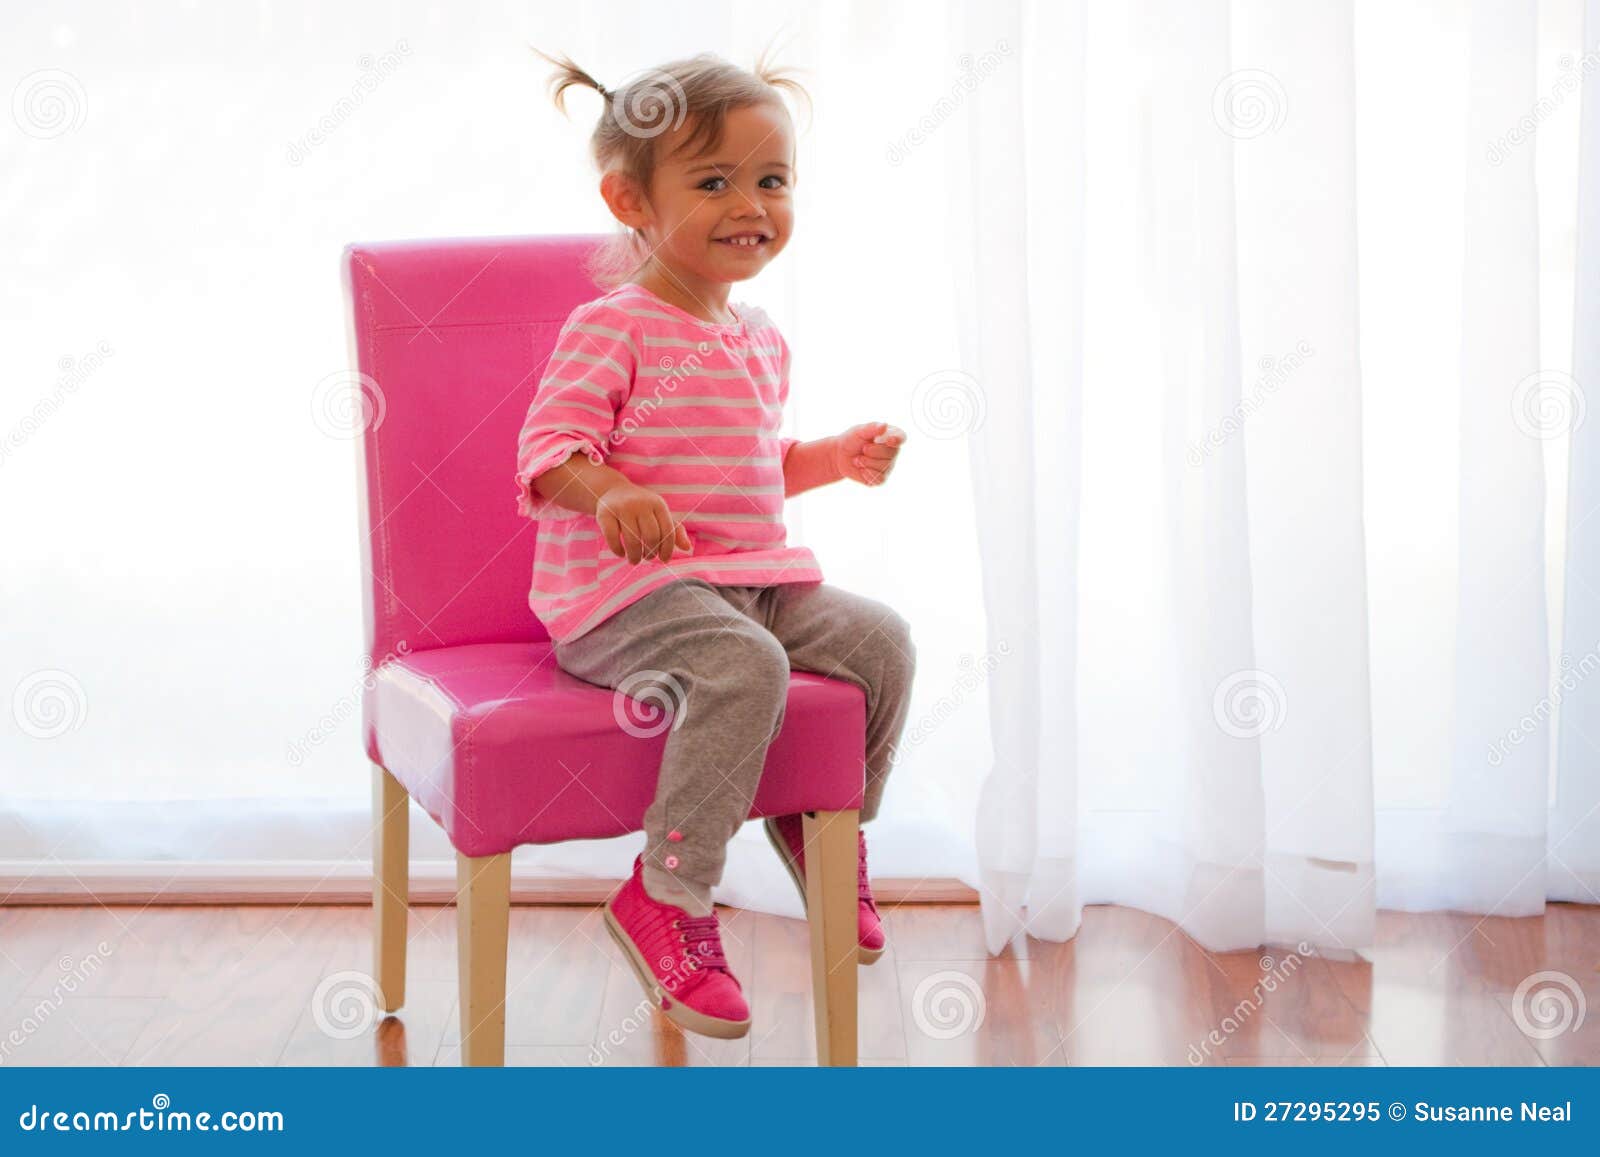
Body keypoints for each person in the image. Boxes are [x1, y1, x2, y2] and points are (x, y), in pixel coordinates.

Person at [515, 48, 916, 1040]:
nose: (753, 204)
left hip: (744, 580)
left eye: (772, 180)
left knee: (881, 640)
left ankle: (822, 823)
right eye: (714, 181)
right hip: (624, 598)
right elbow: (546, 452)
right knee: (745, 661)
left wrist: (831, 457)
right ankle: (667, 893)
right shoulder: (612, 326)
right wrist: (605, 490)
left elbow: (750, 467)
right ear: (629, 199)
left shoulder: (759, 335)